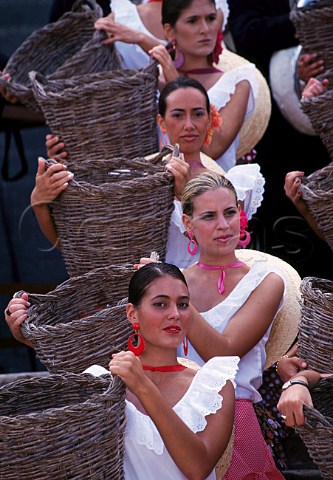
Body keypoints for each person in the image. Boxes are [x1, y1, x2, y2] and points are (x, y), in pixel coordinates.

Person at [5, 262, 238, 480]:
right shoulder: (100, 380)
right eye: (160, 304)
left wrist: (142, 386)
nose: (175, 314)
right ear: (131, 314)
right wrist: (30, 335)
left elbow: (197, 468)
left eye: (183, 304)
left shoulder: (214, 385)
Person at [139, 170, 286, 479]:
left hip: (234, 420)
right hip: (168, 415)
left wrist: (171, 296)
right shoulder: (173, 278)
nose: (223, 225)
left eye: (230, 212)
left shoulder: (267, 280)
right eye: (209, 216)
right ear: (188, 225)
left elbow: (226, 353)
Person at [35, 77, 265, 269]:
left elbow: (223, 247)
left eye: (197, 114)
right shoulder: (134, 179)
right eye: (177, 115)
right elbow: (82, 246)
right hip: (146, 297)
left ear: (210, 119)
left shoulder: (234, 183)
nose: (189, 125)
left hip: (206, 292)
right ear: (162, 122)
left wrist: (184, 195)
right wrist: (39, 202)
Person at [227, 0, 333, 280]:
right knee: (286, 223)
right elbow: (246, 33)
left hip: (326, 129)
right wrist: (306, 24)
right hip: (278, 134)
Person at [147, 0, 258, 172]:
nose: (205, 29)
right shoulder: (152, 84)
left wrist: (174, 80)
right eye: (193, 21)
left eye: (211, 18)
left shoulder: (238, 82)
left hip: (216, 193)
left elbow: (213, 148)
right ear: (169, 31)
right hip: (161, 193)